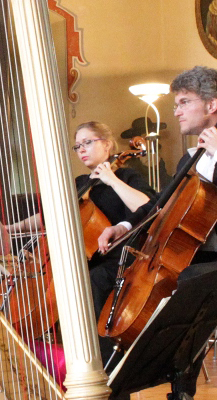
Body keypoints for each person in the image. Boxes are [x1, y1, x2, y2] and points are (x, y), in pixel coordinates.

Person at [98, 67, 217, 400]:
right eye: (176, 103)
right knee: (110, 284)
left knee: (185, 292)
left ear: (212, 105)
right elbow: (160, 205)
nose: (176, 111)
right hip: (189, 259)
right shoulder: (188, 160)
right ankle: (116, 382)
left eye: (184, 102)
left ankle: (175, 390)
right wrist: (124, 226)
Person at [69, 121, 152, 316]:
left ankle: (102, 345)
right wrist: (11, 228)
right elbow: (50, 217)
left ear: (106, 144)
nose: (81, 149)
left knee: (94, 278)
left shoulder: (126, 176)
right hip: (87, 257)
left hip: (120, 256)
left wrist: (111, 180)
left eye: (87, 142)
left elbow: (147, 206)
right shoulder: (80, 183)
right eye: (77, 146)